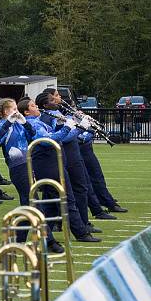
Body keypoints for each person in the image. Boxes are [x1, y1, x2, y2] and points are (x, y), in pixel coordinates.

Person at [0, 98, 64, 253]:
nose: (16, 111)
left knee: (28, 203)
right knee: (33, 202)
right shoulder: (2, 125)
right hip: (17, 167)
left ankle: (17, 241)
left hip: (28, 164)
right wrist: (8, 122)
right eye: (13, 109)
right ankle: (49, 241)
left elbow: (32, 134)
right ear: (6, 112)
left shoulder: (19, 124)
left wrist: (24, 122)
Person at [30, 92, 100, 242]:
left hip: (53, 161)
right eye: (32, 106)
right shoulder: (37, 121)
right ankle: (81, 233)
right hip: (48, 163)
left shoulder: (44, 118)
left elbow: (58, 135)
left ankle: (44, 236)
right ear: (45, 105)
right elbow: (47, 140)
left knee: (50, 205)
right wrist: (71, 128)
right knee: (67, 199)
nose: (56, 101)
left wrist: (72, 126)